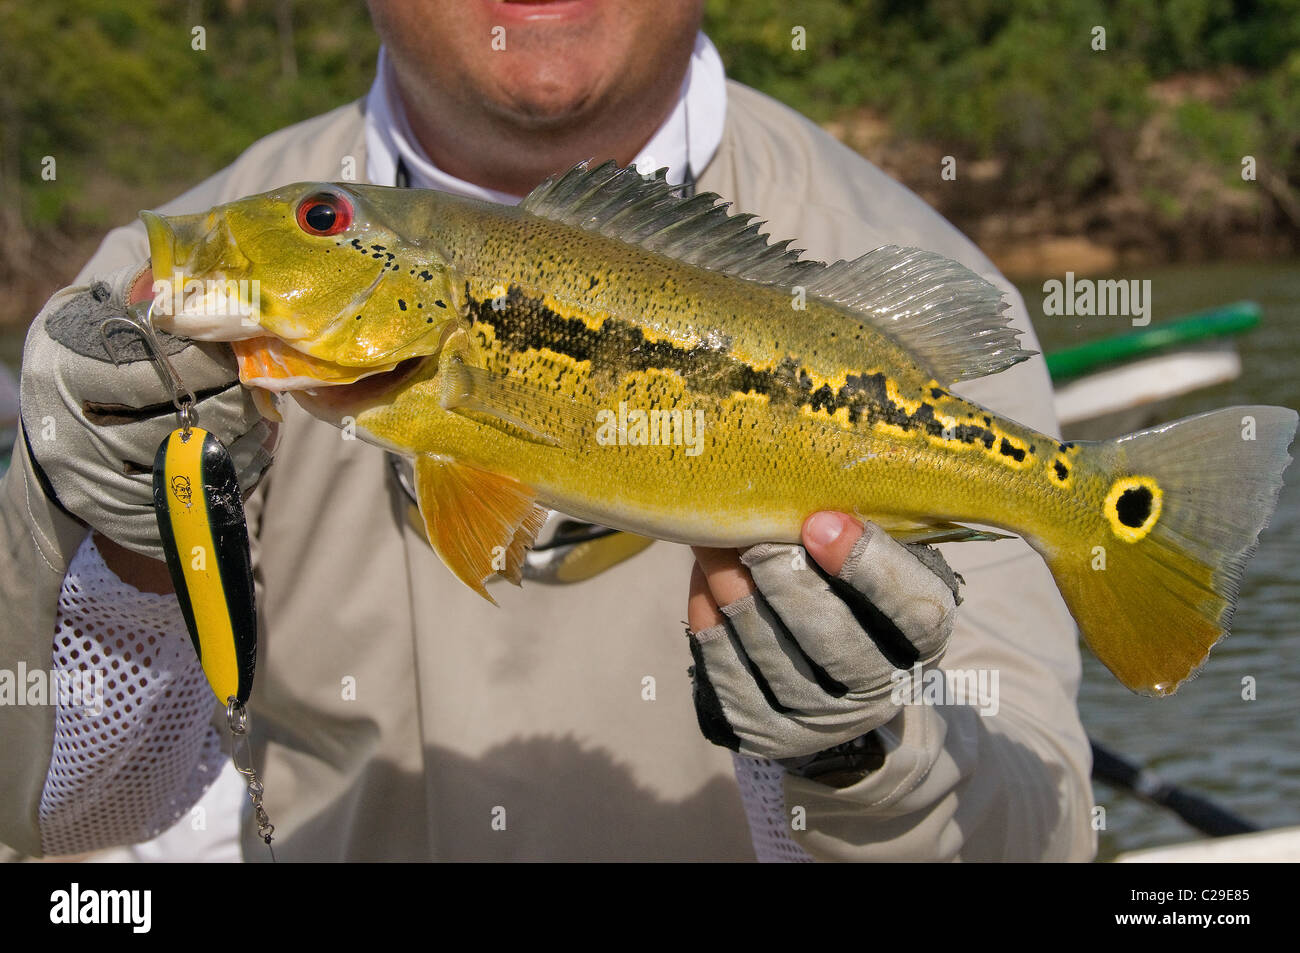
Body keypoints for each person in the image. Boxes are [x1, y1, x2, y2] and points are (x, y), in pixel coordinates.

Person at [0, 0, 1095, 861]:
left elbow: (1040, 842)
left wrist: (860, 753)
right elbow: (52, 818)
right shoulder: (156, 302)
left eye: (325, 218)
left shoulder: (909, 300)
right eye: (322, 219)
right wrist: (123, 551)